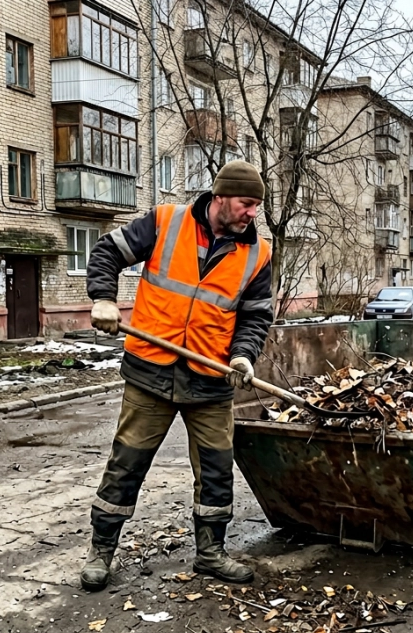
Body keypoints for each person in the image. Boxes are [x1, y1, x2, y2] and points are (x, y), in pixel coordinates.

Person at [79, 160, 274, 591]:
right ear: (220, 197)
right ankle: (101, 554)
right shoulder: (166, 222)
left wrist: (243, 357)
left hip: (210, 378)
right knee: (127, 463)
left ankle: (211, 554)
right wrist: (104, 299)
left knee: (217, 470)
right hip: (151, 370)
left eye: (257, 206)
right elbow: (108, 251)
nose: (251, 214)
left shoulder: (257, 253)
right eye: (246, 204)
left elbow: (256, 317)